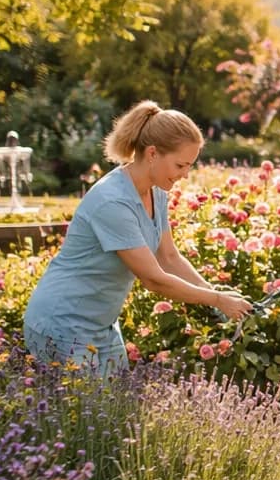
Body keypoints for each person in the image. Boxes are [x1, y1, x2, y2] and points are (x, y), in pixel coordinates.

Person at [22, 101, 251, 375]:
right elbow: (153, 278)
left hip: (100, 326)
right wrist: (215, 300)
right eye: (180, 165)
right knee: (84, 415)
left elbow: (168, 258)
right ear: (152, 153)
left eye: (189, 166)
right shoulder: (113, 201)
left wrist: (218, 295)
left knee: (115, 411)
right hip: (61, 322)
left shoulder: (157, 193)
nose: (185, 175)